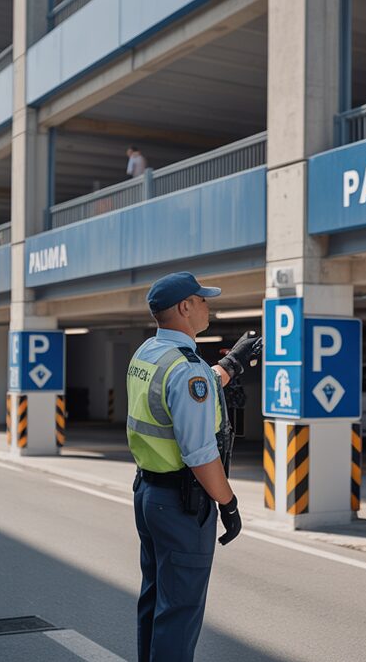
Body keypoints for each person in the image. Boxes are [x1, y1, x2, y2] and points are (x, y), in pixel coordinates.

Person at [128, 271, 262, 662]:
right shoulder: (187, 369)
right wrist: (228, 503)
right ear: (185, 307)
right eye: (202, 299)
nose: (208, 305)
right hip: (181, 504)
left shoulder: (148, 354)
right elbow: (200, 452)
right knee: (181, 610)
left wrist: (232, 364)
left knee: (155, 599)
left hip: (149, 494)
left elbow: (186, 391)